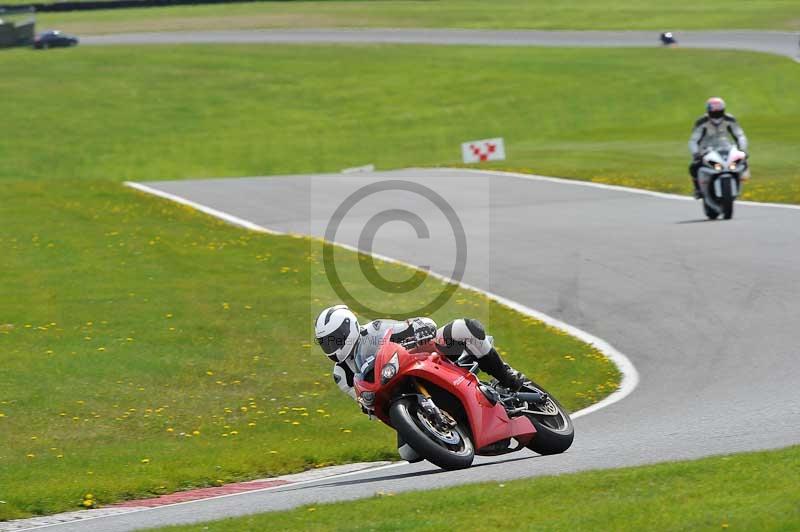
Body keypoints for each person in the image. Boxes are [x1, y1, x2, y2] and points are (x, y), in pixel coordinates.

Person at [313, 304, 527, 461]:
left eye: (334, 338)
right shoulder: (341, 374)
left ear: (348, 328)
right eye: (325, 342)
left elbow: (405, 327)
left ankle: (506, 375)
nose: (331, 346)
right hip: (392, 393)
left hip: (422, 360)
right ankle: (448, 428)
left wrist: (420, 327)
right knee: (409, 454)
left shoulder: (373, 330)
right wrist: (365, 403)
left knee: (464, 328)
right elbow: (361, 399)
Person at [688, 97, 748, 198]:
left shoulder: (730, 119)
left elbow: (740, 135)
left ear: (723, 110)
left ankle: (739, 181)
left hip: (726, 147)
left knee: (743, 162)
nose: (716, 115)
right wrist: (696, 154)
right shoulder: (701, 122)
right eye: (714, 112)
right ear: (708, 111)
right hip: (706, 150)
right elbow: (693, 140)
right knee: (693, 167)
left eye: (719, 112)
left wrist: (742, 149)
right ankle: (698, 189)